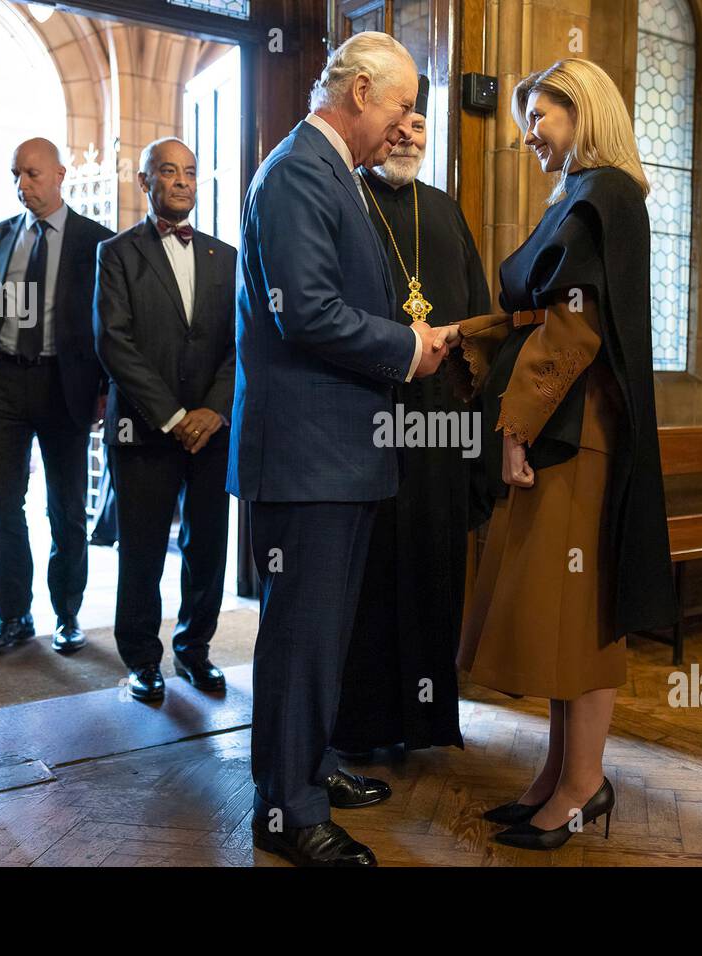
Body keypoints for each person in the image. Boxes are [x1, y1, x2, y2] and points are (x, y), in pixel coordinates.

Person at [440, 59, 678, 850]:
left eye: (541, 117)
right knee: (557, 615)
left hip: (576, 437)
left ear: (586, 113)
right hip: (559, 425)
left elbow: (574, 327)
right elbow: (534, 313)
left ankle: (584, 783)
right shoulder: (581, 193)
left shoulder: (606, 192)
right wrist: (465, 335)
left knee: (582, 616)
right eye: (526, 120)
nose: (529, 135)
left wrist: (514, 429)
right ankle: (557, 773)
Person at [228, 32, 453, 867]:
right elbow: (308, 312)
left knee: (325, 634)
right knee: (300, 637)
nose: (405, 127)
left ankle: (311, 766)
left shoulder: (335, 176)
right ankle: (286, 809)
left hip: (339, 452)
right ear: (360, 91)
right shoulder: (297, 172)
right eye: (399, 109)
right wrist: (406, 348)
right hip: (307, 453)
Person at [331, 75, 491, 757]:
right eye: (399, 122)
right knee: (369, 580)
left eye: (420, 127)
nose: (407, 135)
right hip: (370, 422)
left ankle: (425, 724)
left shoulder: (447, 210)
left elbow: (481, 316)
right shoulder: (347, 199)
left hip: (439, 429)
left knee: (431, 569)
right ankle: (363, 727)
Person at [94, 137, 237, 701]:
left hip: (211, 432)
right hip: (144, 428)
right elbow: (113, 342)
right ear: (145, 181)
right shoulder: (116, 253)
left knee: (208, 547)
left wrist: (212, 410)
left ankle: (194, 651)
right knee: (144, 550)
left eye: (191, 173)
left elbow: (238, 342)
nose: (181, 181)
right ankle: (141, 660)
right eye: (169, 171)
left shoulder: (225, 256)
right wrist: (173, 415)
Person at [0, 137, 113, 656]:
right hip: (3, 384)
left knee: (66, 509)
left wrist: (104, 388)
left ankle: (68, 614)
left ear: (59, 175)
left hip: (65, 386)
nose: (21, 185)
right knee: (3, 507)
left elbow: (110, 325)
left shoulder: (96, 242)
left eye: (31, 174)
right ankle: (14, 615)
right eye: (15, 175)